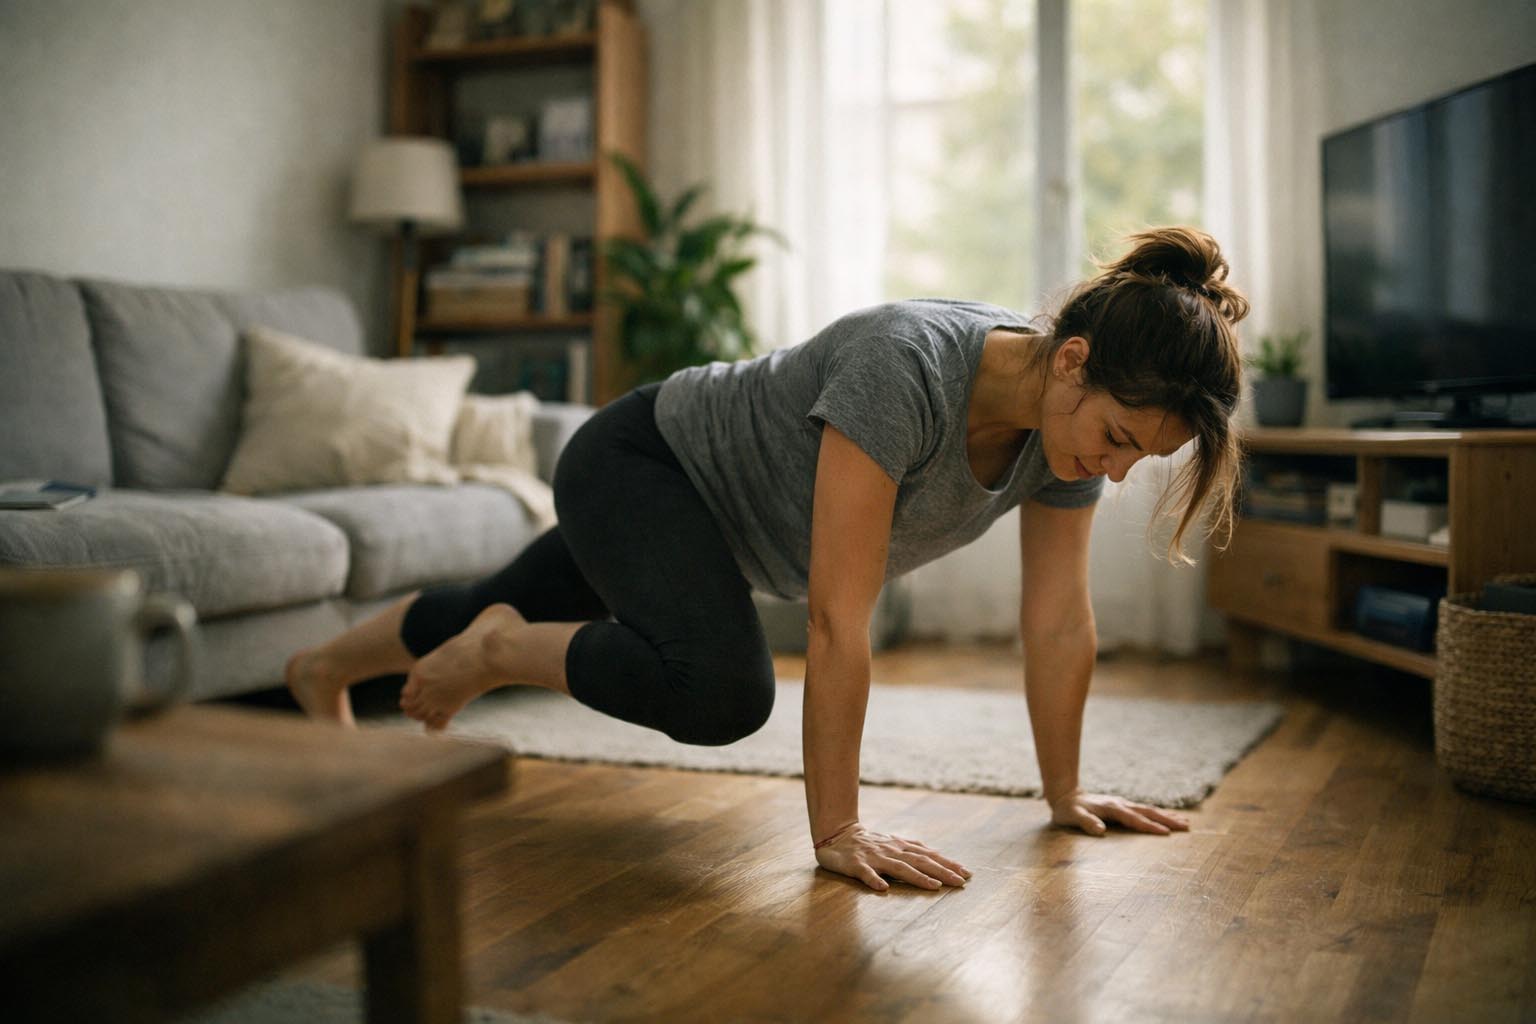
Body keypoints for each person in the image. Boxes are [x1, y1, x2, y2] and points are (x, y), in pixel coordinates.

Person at [287, 224, 1247, 894]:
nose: (1114, 471)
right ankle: (500, 653)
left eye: (1139, 459)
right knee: (718, 691)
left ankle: (323, 666)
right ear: (1073, 358)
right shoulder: (907, 369)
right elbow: (837, 620)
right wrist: (837, 831)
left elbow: (1058, 618)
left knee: (495, 595)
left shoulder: (1064, 433)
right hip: (645, 465)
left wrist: (1065, 791)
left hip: (703, 526)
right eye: (1119, 439)